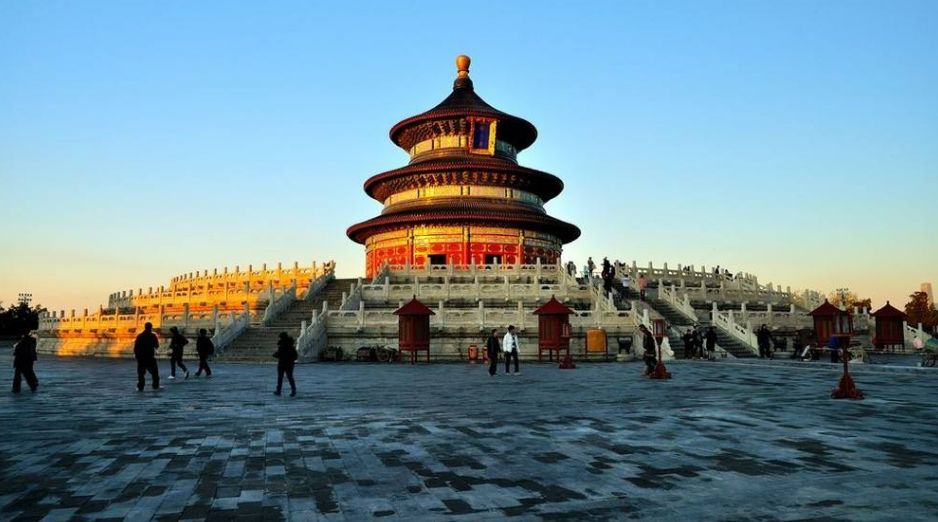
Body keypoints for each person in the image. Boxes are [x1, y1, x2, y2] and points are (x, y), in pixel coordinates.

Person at [134, 322, 161, 391]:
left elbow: (136, 347)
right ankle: (155, 386)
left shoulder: (139, 336)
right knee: (155, 373)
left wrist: (137, 356)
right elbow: (156, 346)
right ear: (151, 327)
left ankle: (140, 387)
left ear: (145, 327)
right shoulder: (153, 336)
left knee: (141, 374)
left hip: (141, 358)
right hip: (150, 357)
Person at [273, 332, 298, 396]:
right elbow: (295, 356)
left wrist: (276, 355)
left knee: (280, 377)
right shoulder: (291, 346)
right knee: (290, 377)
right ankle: (293, 389)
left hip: (282, 363)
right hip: (290, 363)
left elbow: (279, 354)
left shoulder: (281, 345)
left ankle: (278, 390)